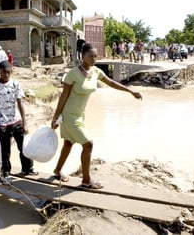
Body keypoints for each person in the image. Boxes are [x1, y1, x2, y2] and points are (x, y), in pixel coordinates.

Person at [50, 43, 142, 189]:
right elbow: (63, 97)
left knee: (68, 143)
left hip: (80, 115)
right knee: (88, 144)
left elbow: (111, 82)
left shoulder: (96, 71)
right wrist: (55, 118)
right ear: (83, 56)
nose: (94, 58)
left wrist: (130, 91)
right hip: (69, 115)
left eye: (95, 56)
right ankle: (86, 180)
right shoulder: (73, 73)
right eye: (91, 56)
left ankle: (57, 170)